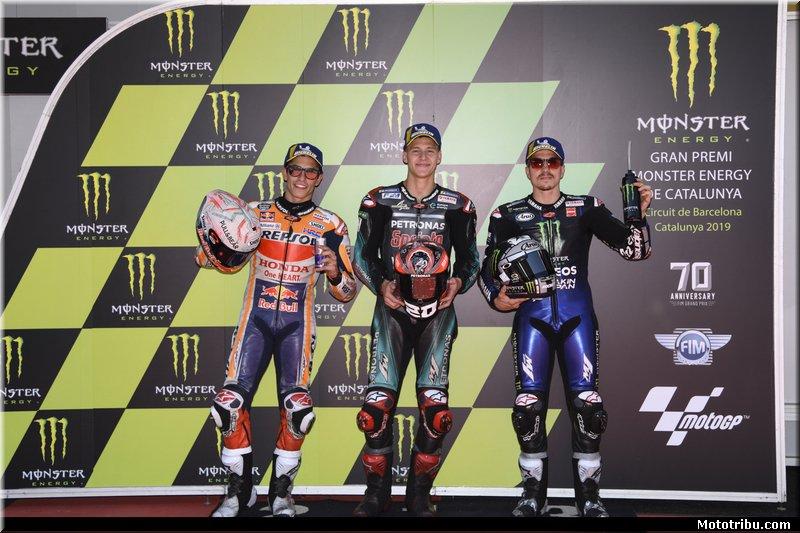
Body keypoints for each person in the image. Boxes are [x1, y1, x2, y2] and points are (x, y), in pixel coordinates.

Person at [478, 137, 652, 518]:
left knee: (588, 409)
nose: (545, 169)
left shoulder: (586, 208)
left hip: (578, 320)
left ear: (562, 168)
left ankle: (589, 498)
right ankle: (532, 496)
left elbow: (636, 250)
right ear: (527, 170)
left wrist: (638, 214)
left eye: (552, 162)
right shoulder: (506, 215)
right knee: (527, 411)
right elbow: (486, 267)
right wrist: (495, 297)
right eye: (537, 162)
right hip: (532, 321)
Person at [196, 143, 357, 517]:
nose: (302, 177)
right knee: (228, 406)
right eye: (295, 169)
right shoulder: (254, 213)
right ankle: (239, 494)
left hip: (296, 327)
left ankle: (281, 495)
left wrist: (335, 272)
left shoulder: (332, 225)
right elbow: (214, 259)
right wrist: (211, 243)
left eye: (310, 171)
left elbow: (347, 292)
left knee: (298, 411)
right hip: (255, 322)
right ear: (284, 172)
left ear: (319, 178)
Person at [351, 123, 480, 517]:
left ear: (439, 157)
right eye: (415, 150)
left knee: (435, 413)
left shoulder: (459, 205)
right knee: (376, 410)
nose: (422, 157)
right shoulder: (379, 200)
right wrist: (380, 286)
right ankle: (376, 495)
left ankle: (418, 496)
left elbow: (471, 259)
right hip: (391, 313)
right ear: (404, 155)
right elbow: (361, 255)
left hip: (438, 317)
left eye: (429, 150)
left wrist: (458, 283)